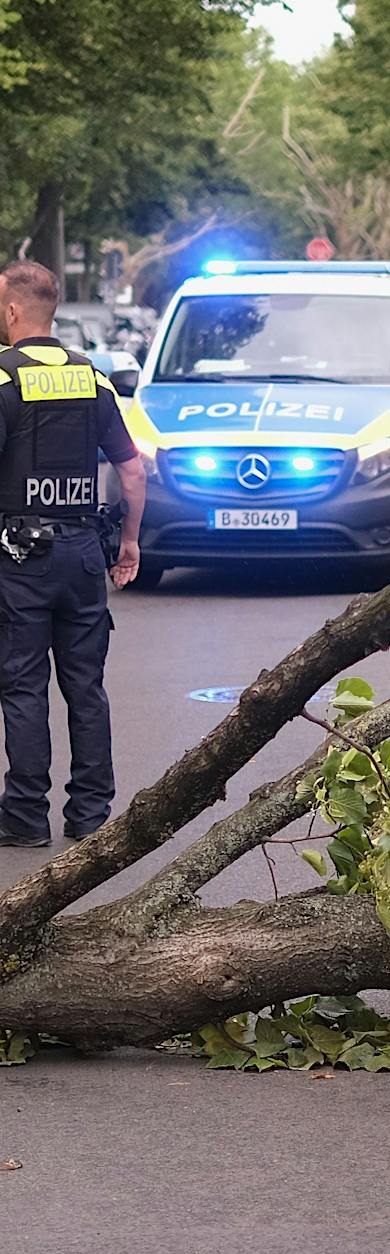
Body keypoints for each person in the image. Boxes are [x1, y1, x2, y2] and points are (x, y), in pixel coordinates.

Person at [0, 258, 143, 846]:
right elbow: (132, 474)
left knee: (23, 684)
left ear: (11, 311)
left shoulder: (5, 380)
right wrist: (129, 540)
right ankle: (90, 818)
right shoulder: (94, 376)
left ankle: (26, 817)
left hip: (19, 556)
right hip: (85, 552)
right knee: (86, 685)